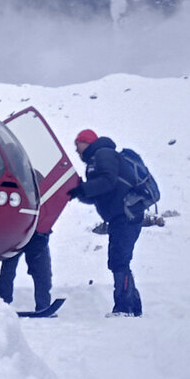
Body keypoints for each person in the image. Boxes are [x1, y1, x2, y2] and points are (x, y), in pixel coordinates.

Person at [67, 128, 143, 317]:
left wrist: (83, 188)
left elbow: (108, 181)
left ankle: (124, 308)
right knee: (119, 260)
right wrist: (79, 193)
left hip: (126, 216)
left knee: (119, 261)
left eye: (79, 145)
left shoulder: (104, 153)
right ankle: (133, 307)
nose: (77, 150)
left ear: (88, 142)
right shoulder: (95, 161)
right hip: (121, 216)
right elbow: (99, 193)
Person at [0, 229, 52, 312]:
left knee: (42, 273)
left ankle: (44, 306)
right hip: (17, 233)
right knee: (7, 272)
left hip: (35, 235)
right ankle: (3, 303)